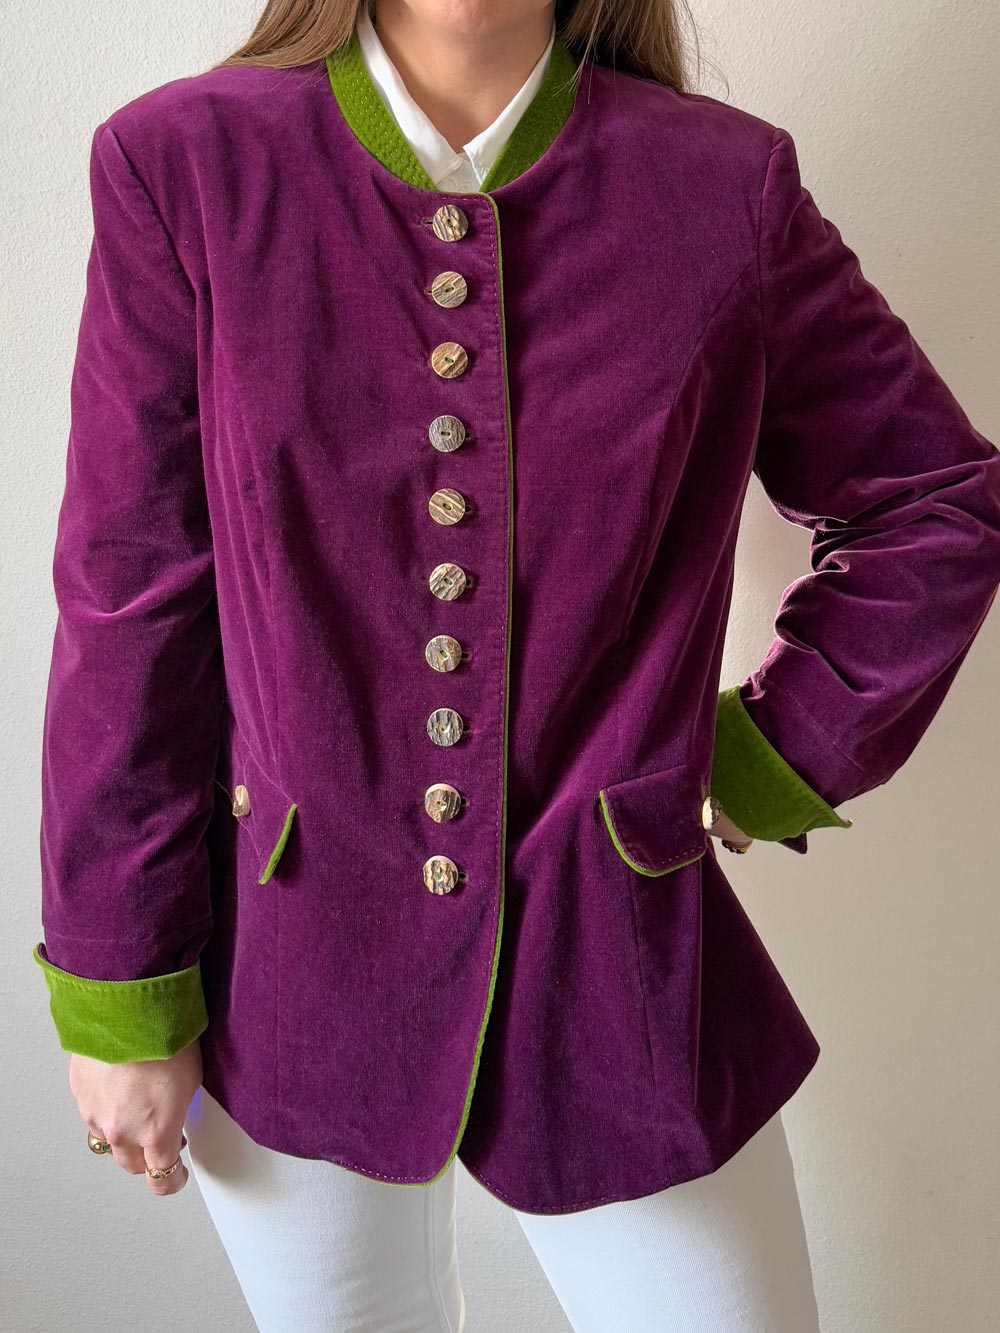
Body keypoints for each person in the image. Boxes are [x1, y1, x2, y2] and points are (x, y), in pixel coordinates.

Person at [34, 1, 1000, 1329]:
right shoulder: (184, 165)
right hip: (288, 968)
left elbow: (934, 503)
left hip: (623, 966)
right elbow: (129, 597)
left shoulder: (724, 184)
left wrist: (767, 754)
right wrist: (121, 983)